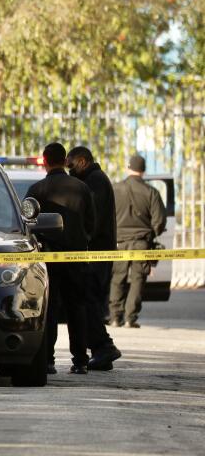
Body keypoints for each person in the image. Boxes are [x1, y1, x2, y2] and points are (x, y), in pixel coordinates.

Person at [26, 142, 94, 375]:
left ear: (44, 160)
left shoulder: (37, 190)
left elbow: (27, 225)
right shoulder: (81, 188)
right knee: (77, 308)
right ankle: (80, 361)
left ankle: (48, 360)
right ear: (65, 161)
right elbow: (90, 224)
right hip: (76, 258)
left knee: (49, 309)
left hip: (48, 259)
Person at [66, 146, 122, 371]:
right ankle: (101, 351)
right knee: (89, 302)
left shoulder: (95, 181)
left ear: (81, 161)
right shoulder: (94, 180)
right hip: (96, 252)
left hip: (96, 253)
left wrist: (80, 239)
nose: (69, 171)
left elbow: (92, 220)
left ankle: (104, 346)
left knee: (89, 302)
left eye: (71, 166)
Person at [110, 154, 167, 328]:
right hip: (142, 243)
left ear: (128, 168)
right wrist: (151, 235)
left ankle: (114, 317)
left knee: (117, 278)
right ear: (143, 171)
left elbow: (105, 215)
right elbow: (159, 220)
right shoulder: (152, 192)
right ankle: (130, 318)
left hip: (119, 242)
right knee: (138, 279)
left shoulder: (115, 189)